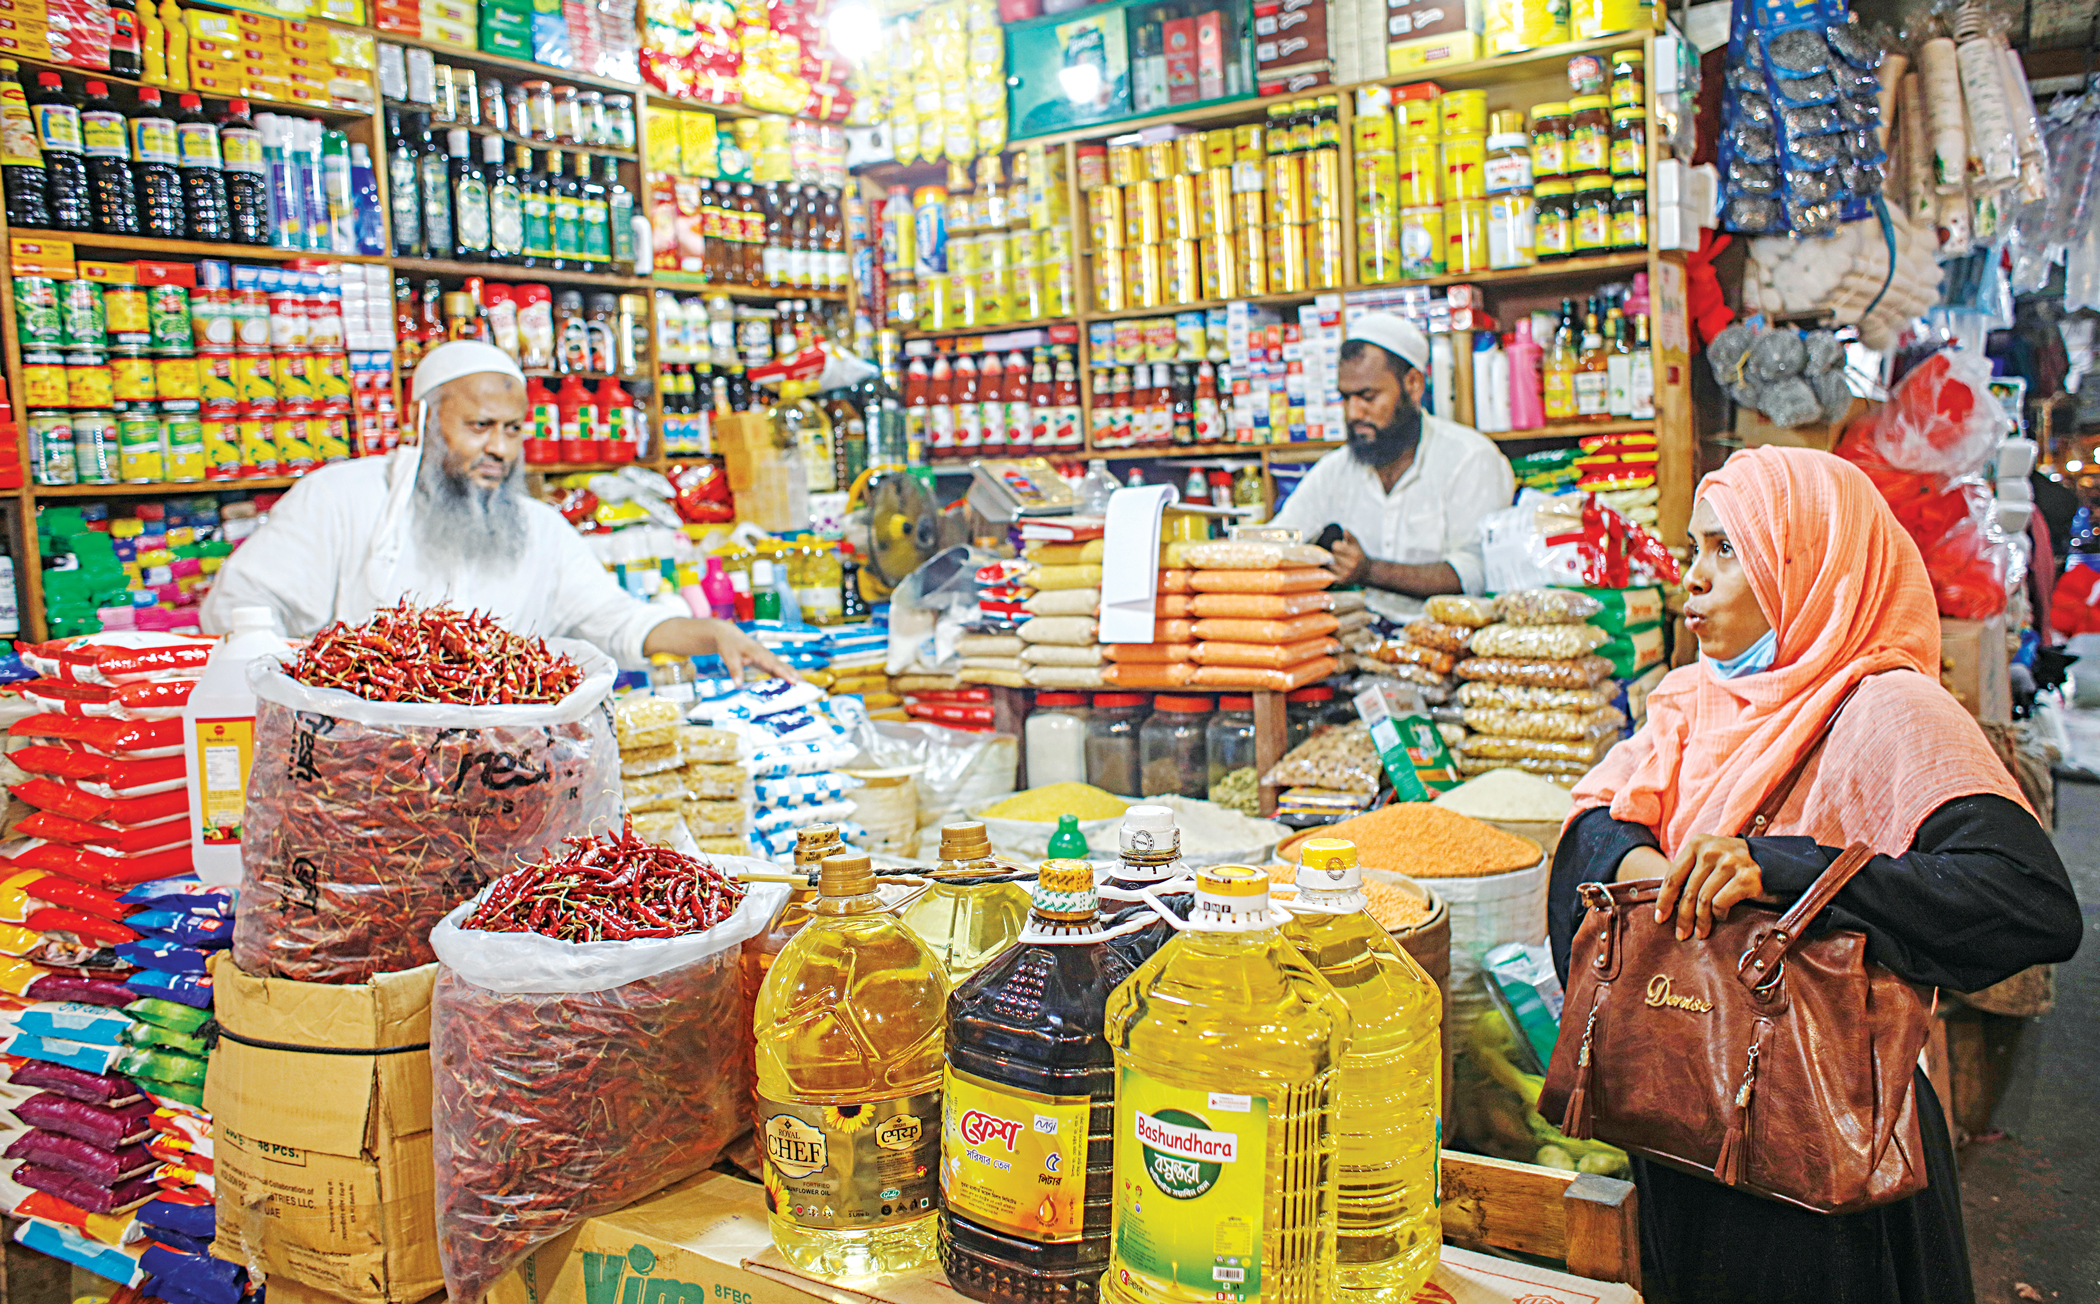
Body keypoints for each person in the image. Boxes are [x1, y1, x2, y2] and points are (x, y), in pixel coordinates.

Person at [1547, 446, 2082, 1304]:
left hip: (1822, 1148)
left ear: (1807, 563)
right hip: (1686, 1121)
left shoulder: (1888, 711)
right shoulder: (1692, 703)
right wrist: (1666, 877)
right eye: (1695, 550)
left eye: (1729, 551)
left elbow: (2029, 904)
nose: (1695, 579)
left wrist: (1780, 869)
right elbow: (1584, 848)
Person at [200, 341, 793, 680]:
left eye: (513, 430)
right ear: (424, 423)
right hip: (358, 774)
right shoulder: (341, 498)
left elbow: (616, 623)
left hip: (501, 784)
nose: (501, 450)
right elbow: (240, 611)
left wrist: (712, 632)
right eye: (480, 427)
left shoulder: (537, 528)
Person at [1266, 312, 1514, 622]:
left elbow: (1474, 573)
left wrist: (1369, 570)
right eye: (1345, 398)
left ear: (1412, 385)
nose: (1354, 412)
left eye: (1368, 396)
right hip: (1356, 640)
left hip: (1442, 645)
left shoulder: (1470, 459)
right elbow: (1281, 536)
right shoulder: (1336, 469)